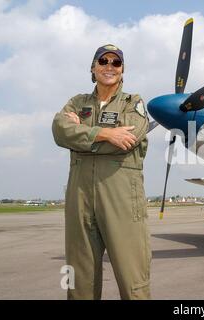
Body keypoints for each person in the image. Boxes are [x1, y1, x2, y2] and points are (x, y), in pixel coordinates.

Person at [52, 44, 151, 300]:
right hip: (80, 197)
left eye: (115, 63)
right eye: (103, 61)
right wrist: (105, 133)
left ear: (122, 70)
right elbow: (60, 131)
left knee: (133, 281)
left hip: (122, 200)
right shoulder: (77, 102)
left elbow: (130, 139)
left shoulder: (134, 103)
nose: (109, 66)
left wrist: (82, 138)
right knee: (79, 279)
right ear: (93, 67)